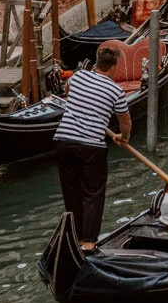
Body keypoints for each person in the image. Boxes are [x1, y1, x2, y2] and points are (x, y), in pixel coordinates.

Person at [54, 43, 132, 250]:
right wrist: (123, 138)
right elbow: (125, 122)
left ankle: (75, 238)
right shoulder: (116, 91)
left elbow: (68, 90)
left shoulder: (78, 76)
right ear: (114, 67)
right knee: (92, 194)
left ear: (97, 63)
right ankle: (88, 243)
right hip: (91, 147)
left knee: (71, 193)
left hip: (63, 141)